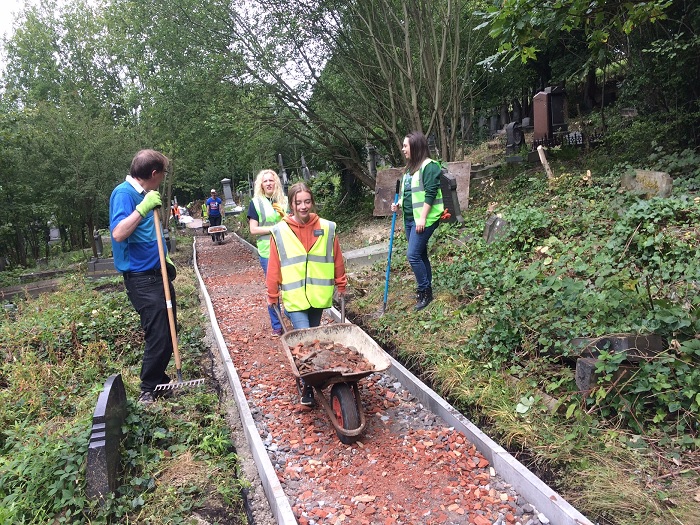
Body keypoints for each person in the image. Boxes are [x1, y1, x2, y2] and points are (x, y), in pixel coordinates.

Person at [266, 182, 347, 405]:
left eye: (307, 202)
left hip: (318, 295)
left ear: (312, 202)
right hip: (295, 297)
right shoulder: (280, 231)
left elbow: (336, 257)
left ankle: (311, 379)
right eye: (298, 202)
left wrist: (341, 283)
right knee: (305, 339)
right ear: (291, 204)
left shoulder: (327, 227)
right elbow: (275, 265)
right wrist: (272, 293)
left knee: (313, 335)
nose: (303, 206)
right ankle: (308, 387)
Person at [110, 149, 177, 405]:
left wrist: (165, 258)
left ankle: (159, 381)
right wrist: (143, 208)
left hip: (158, 272)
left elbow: (150, 232)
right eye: (162, 174)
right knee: (159, 331)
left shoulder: (145, 194)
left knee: (170, 327)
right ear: (153, 173)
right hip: (141, 277)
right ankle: (148, 389)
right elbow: (118, 233)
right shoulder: (123, 194)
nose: (162, 178)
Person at [390, 131, 444, 311]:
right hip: (409, 219)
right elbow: (410, 193)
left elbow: (430, 193)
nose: (403, 149)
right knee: (420, 254)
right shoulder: (410, 168)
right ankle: (427, 288)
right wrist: (397, 203)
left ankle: (424, 292)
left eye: (406, 145)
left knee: (412, 255)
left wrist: (422, 218)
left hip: (424, 219)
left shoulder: (430, 166)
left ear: (416, 146)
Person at [247, 169, 287, 337]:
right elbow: (253, 229)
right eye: (266, 181)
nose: (269, 183)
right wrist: (275, 229)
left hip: (287, 249)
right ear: (261, 185)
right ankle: (277, 325)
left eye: (272, 180)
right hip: (267, 251)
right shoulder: (256, 203)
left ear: (276, 182)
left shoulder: (284, 201)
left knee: (290, 285)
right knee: (273, 288)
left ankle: (292, 315)